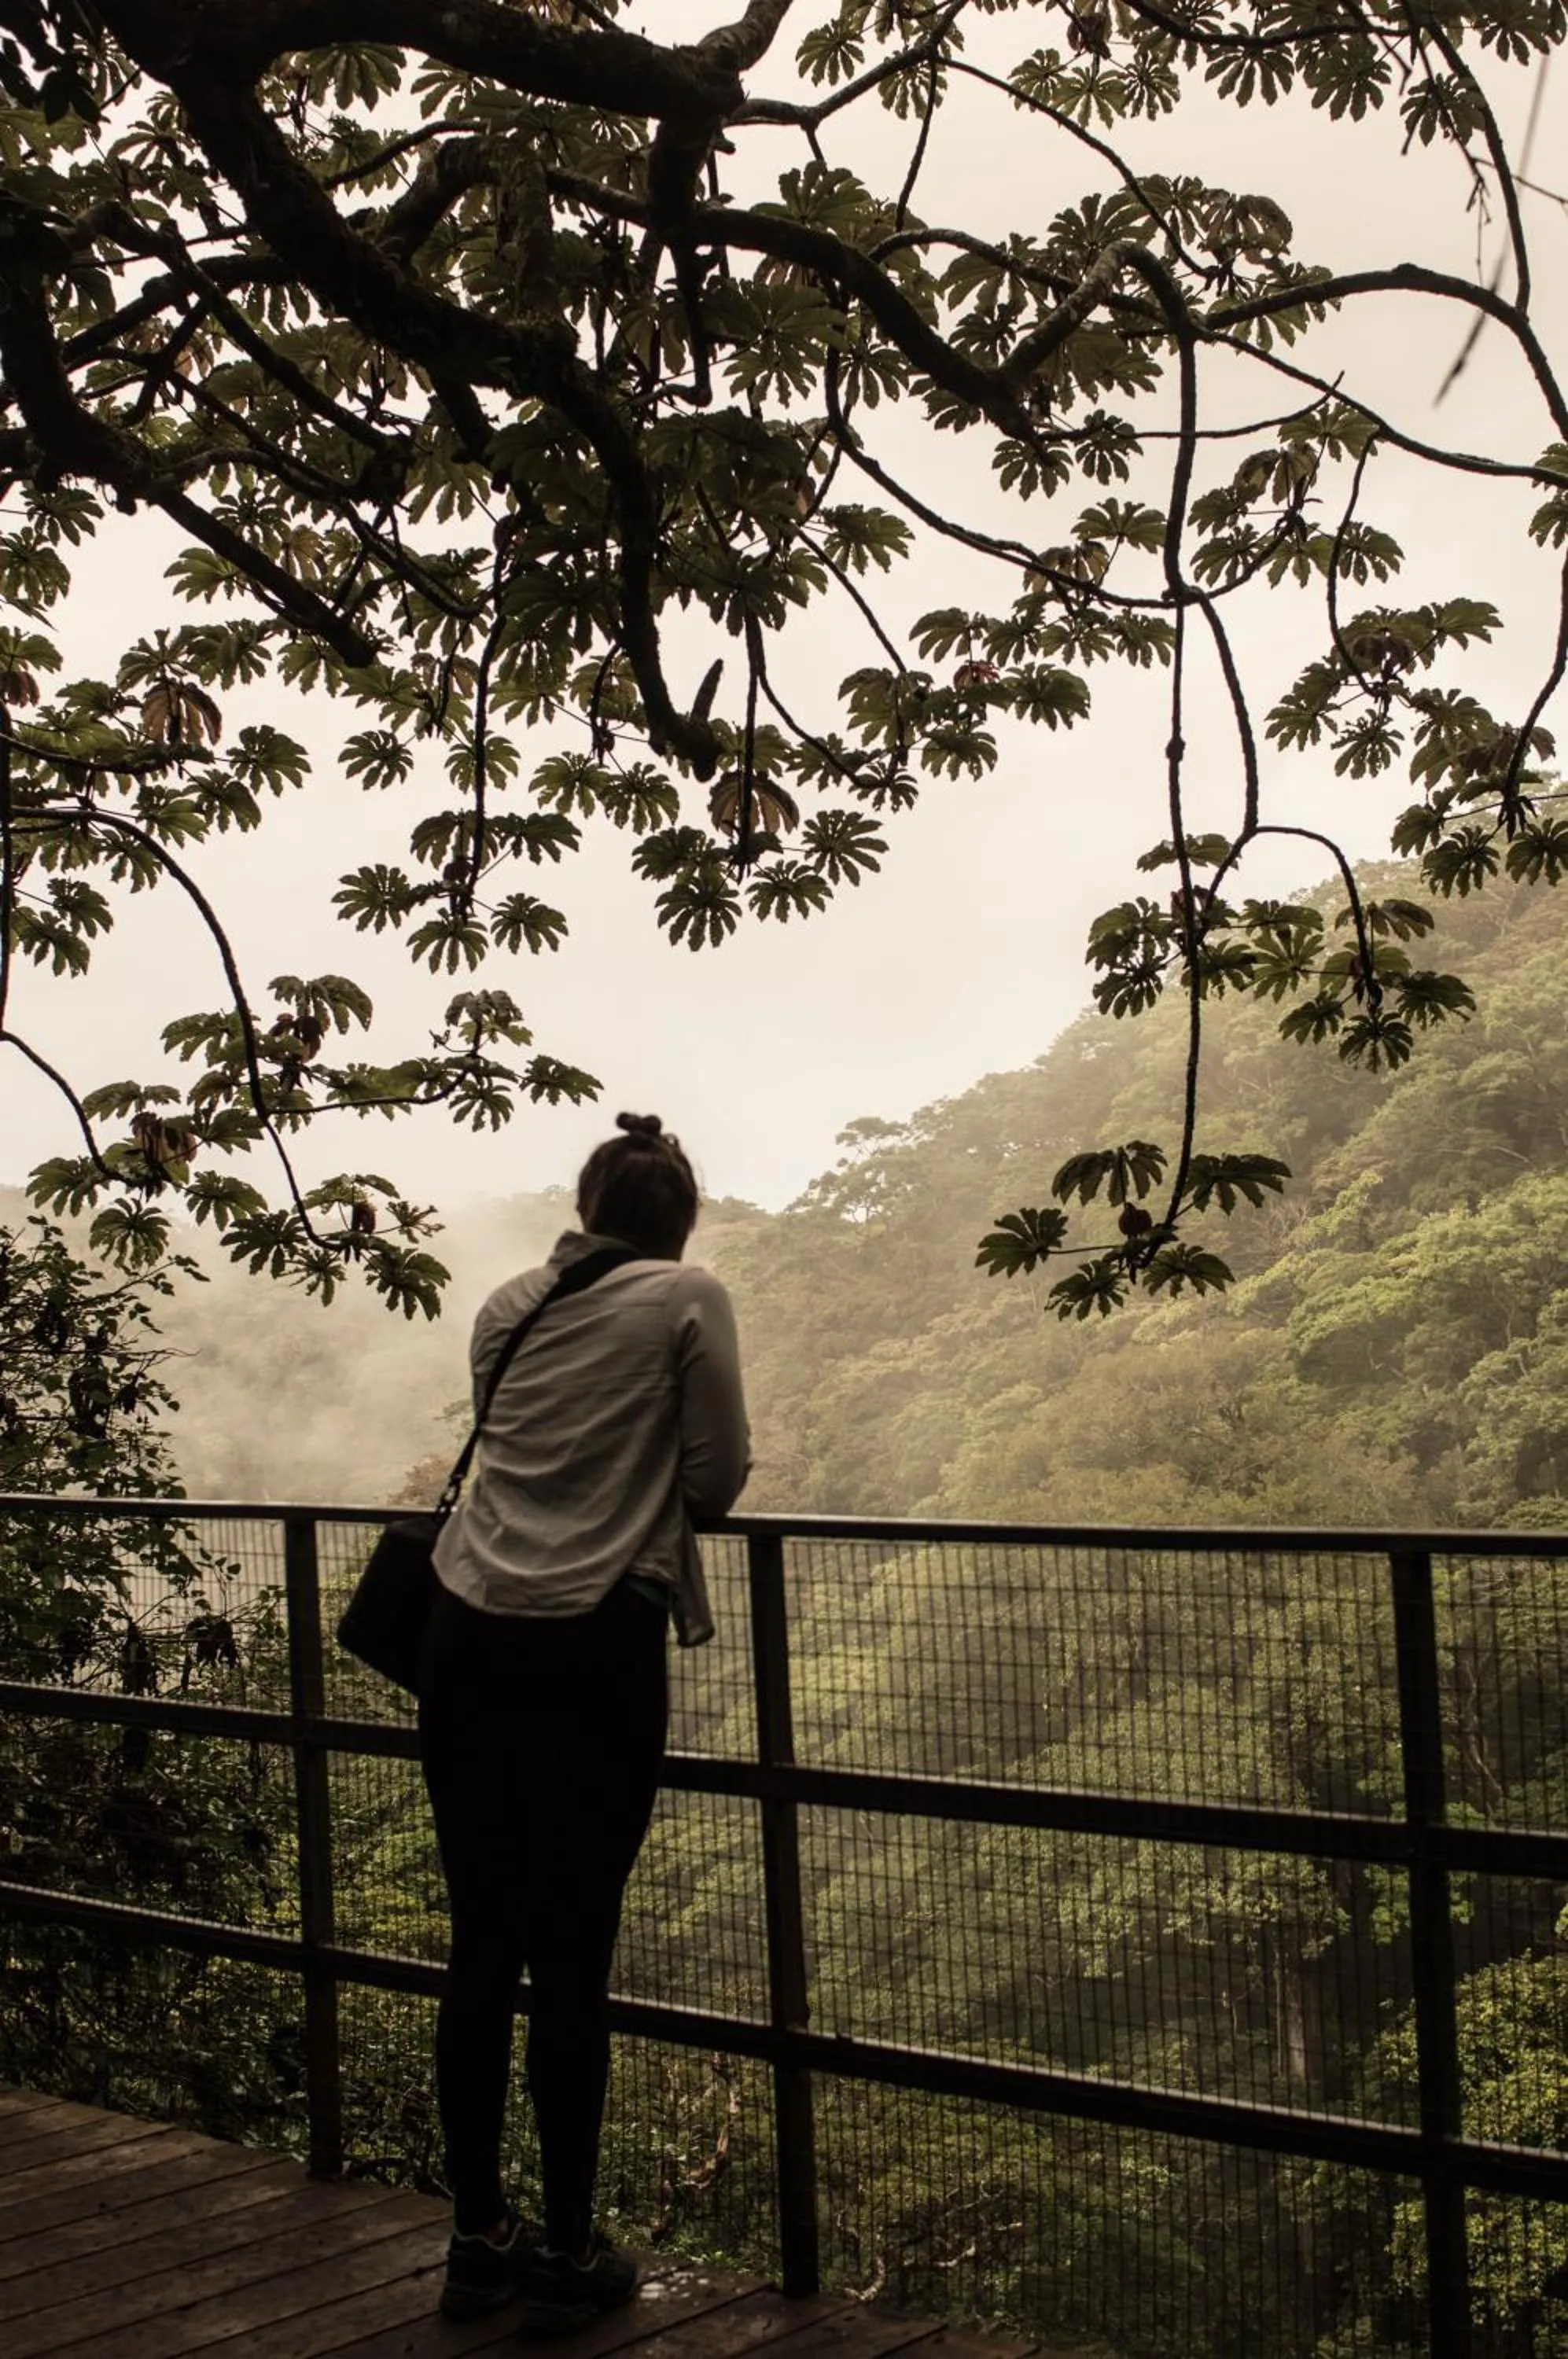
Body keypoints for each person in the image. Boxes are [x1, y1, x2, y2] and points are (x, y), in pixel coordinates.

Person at [417, 1113, 749, 2332]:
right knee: (571, 1953)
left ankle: (473, 2237)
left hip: (467, 1633)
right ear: (680, 1221)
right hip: (592, 1649)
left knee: (477, 1943)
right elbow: (715, 1481)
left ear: (587, 1202)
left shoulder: (506, 1303)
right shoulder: (688, 1298)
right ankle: (566, 2243)